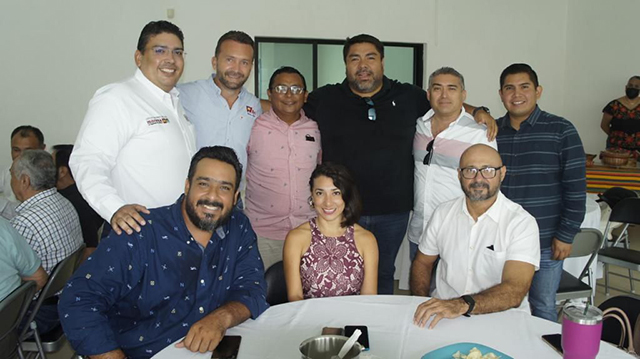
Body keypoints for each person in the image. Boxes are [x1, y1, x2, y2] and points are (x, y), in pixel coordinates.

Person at [303, 34, 496, 294]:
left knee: (382, 272)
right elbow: (285, 106)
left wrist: (478, 111)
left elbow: (444, 103)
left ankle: (377, 327)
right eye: (354, 58)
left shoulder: (408, 96)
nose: (363, 65)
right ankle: (345, 327)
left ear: (382, 62)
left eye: (370, 57)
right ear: (346, 64)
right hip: (341, 208)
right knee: (340, 272)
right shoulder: (325, 99)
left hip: (392, 212)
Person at [58, 146, 268, 359]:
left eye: (224, 188)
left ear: (235, 197)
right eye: (203, 184)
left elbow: (253, 287)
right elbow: (78, 299)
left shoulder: (238, 227)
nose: (212, 197)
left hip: (214, 349)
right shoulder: (138, 232)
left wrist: (221, 318)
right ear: (187, 186)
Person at [70, 20, 196, 237]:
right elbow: (87, 161)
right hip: (136, 231)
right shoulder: (117, 98)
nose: (171, 59)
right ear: (139, 58)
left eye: (178, 52)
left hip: (176, 231)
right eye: (160, 50)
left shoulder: (175, 102)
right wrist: (113, 208)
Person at [411, 144, 540, 329]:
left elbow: (515, 289)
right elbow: (422, 262)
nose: (478, 178)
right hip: (445, 316)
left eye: (488, 170)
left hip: (502, 321)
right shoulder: (442, 213)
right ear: (459, 174)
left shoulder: (521, 223)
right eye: (470, 170)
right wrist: (422, 302)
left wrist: (462, 305)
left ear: (502, 173)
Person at [495, 63, 586, 322]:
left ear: (538, 91)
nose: (516, 94)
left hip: (545, 241)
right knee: (500, 303)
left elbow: (576, 188)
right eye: (509, 88)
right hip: (500, 240)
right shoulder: (492, 133)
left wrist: (566, 235)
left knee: (543, 306)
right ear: (501, 94)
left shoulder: (561, 130)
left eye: (524, 87)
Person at [408, 67, 496, 261]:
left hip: (459, 234)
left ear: (463, 95)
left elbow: (489, 186)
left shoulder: (479, 133)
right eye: (438, 88)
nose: (444, 95)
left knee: (454, 291)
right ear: (429, 94)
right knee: (419, 290)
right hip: (420, 231)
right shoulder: (418, 125)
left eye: (452, 88)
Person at [245, 66, 321, 269]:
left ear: (305, 96)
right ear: (269, 93)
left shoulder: (315, 129)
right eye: (281, 88)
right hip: (263, 233)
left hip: (307, 231)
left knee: (305, 297)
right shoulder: (253, 126)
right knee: (264, 293)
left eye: (296, 89)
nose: (289, 95)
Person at [178, 31, 262, 192]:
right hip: (194, 194)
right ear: (214, 62)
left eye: (244, 62)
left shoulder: (254, 105)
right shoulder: (185, 94)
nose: (236, 69)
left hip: (233, 197)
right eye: (230, 60)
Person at [283, 163, 378, 301]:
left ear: (346, 195)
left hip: (352, 319)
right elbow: (295, 297)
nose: (328, 202)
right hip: (310, 319)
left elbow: (368, 298)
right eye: (320, 193)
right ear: (312, 196)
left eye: (336, 193)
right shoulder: (296, 238)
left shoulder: (366, 239)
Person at [10, 149, 83, 274]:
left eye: (12, 175)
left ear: (24, 181)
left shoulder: (23, 223)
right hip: (64, 284)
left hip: (39, 291)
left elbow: (10, 272)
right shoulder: (64, 201)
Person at [52, 144, 103, 260]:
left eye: (50, 163)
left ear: (62, 172)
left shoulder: (71, 202)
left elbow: (91, 248)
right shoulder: (85, 192)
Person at [0, 126, 45, 219]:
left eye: (28, 151)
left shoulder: (50, 177)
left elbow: (34, 216)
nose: (21, 156)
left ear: (42, 149)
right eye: (16, 150)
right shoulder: (6, 172)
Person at [0, 216, 48, 301]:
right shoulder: (3, 224)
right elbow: (39, 277)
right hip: (14, 307)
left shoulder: (23, 222)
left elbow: (39, 278)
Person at [600, 75, 640, 154]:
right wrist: (616, 137)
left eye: (636, 86)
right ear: (626, 87)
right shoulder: (614, 105)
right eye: (630, 85)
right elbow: (604, 125)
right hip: (616, 150)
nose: (632, 88)